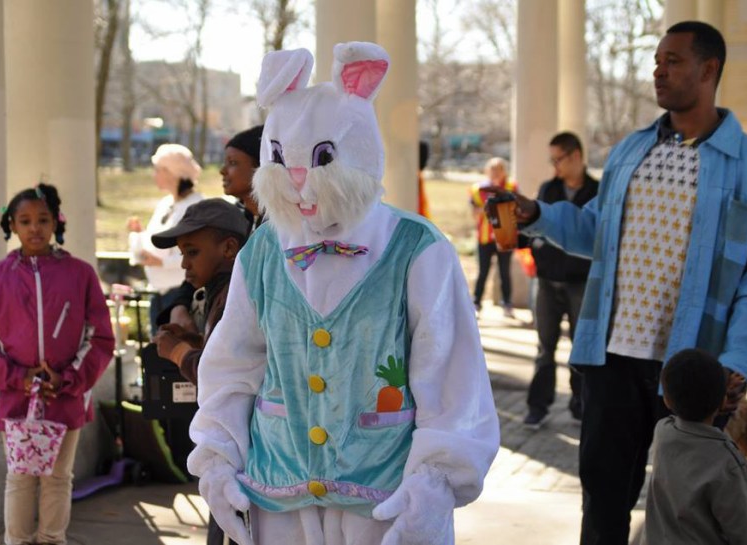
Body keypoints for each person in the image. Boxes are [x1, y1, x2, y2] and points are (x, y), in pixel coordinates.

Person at [188, 42, 499, 545]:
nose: (297, 181)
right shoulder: (263, 250)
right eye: (281, 161)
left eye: (319, 159)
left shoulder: (417, 249)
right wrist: (218, 459)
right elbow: (234, 361)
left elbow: (451, 372)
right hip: (277, 491)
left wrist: (436, 481)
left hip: (383, 498)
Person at [506, 21, 747, 544]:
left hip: (696, 371)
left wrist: (737, 365)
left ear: (709, 69)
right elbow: (594, 231)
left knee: (687, 509)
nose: (658, 70)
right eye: (657, 60)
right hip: (613, 357)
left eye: (673, 60)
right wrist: (537, 214)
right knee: (603, 500)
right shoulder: (632, 151)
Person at [0, 183, 114, 545]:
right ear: (11, 226)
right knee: (20, 476)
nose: (35, 228)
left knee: (58, 476)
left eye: (43, 220)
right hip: (15, 397)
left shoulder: (80, 275)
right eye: (25, 220)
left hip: (66, 394)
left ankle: (51, 539)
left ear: (56, 223)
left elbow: (100, 338)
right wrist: (17, 377)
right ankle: (17, 541)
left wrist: (68, 378)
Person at [150, 198, 251, 545]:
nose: (184, 264)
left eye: (191, 252)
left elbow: (219, 372)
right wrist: (191, 338)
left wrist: (177, 352)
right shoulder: (220, 294)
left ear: (228, 248)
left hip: (239, 451)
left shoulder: (235, 298)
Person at [643, 348, 747, 544]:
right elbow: (745, 534)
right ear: (723, 399)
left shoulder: (664, 432)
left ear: (666, 399)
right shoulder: (728, 464)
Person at [523, 132, 599, 429]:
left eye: (558, 159)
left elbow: (595, 235)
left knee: (582, 348)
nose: (555, 166)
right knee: (544, 348)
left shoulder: (598, 192)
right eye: (551, 160)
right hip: (547, 282)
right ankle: (537, 407)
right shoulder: (548, 189)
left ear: (576, 156)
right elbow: (537, 230)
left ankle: (581, 405)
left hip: (582, 284)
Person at [159, 126, 265, 333]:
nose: (222, 171)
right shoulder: (236, 217)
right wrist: (180, 305)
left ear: (261, 168)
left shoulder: (278, 227)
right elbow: (200, 267)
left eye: (233, 163)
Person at [128, 143, 204, 334]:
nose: (155, 175)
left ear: (173, 172)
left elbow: (198, 253)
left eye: (159, 170)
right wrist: (141, 234)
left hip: (180, 295)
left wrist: (162, 262)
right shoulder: (165, 204)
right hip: (158, 293)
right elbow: (159, 241)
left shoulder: (196, 206)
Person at [470, 157, 516, 317]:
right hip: (485, 236)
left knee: (505, 271)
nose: (496, 172)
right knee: (483, 271)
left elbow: (517, 210)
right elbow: (474, 213)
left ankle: (507, 303)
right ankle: (476, 302)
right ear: (487, 171)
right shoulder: (478, 189)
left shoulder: (511, 187)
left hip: (505, 235)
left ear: (504, 171)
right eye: (493, 169)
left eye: (499, 168)